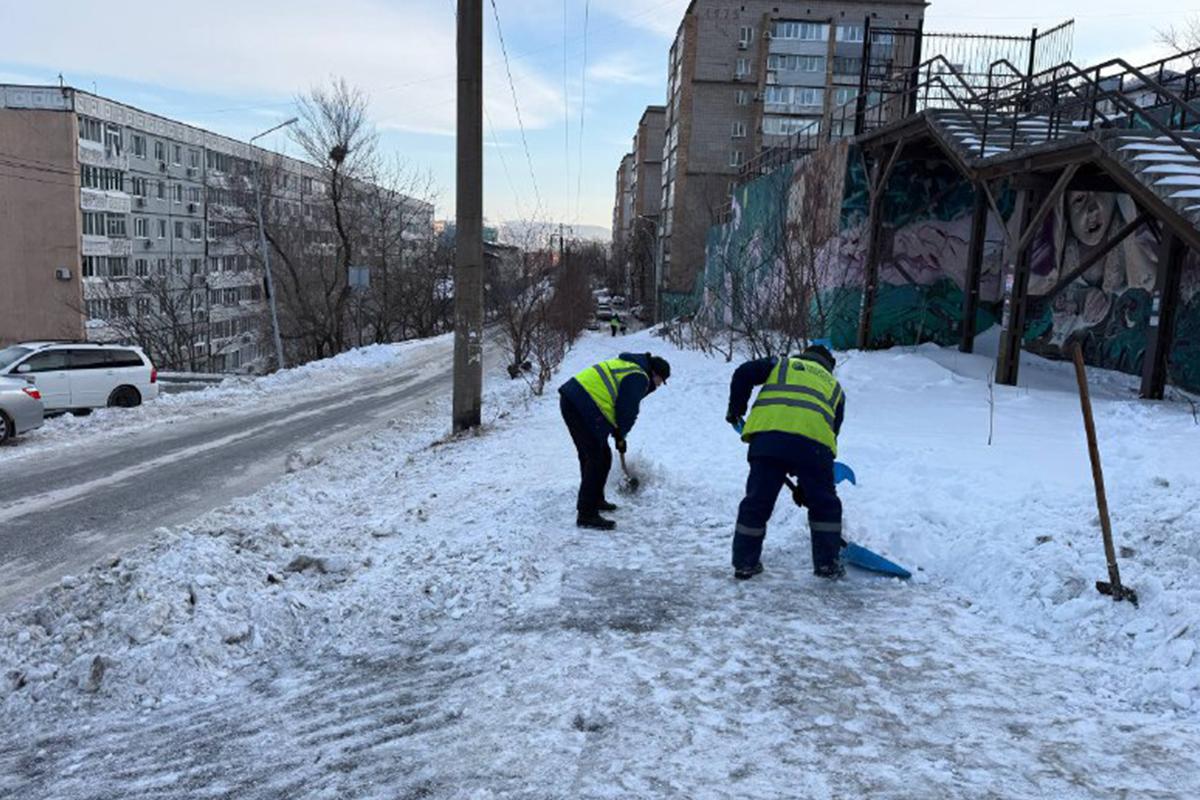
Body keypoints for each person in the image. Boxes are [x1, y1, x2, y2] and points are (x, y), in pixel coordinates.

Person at [725, 344, 846, 580]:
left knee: (757, 502)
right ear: (828, 367)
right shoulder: (835, 388)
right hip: (814, 448)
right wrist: (808, 488)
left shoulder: (780, 364)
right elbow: (832, 432)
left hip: (769, 441)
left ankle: (745, 564)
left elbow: (743, 373)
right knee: (825, 506)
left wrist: (736, 410)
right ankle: (827, 565)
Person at [559, 352, 671, 530]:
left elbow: (616, 403)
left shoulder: (631, 367)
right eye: (660, 381)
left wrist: (619, 434)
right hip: (581, 405)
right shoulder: (639, 376)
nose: (658, 385)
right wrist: (621, 435)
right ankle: (586, 513)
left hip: (576, 401)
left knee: (601, 456)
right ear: (655, 373)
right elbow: (627, 410)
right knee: (595, 458)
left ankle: (596, 499)